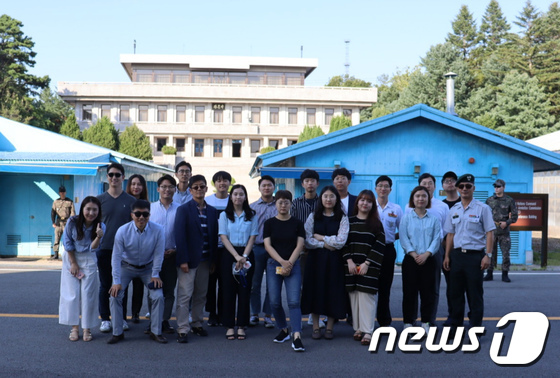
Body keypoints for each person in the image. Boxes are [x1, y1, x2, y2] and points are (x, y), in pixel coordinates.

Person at [108, 199, 167, 344]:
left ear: (149, 215)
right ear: (132, 215)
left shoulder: (158, 230)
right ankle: (117, 332)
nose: (141, 217)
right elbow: (115, 257)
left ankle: (156, 331)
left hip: (148, 268)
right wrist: (116, 281)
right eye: (138, 214)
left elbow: (159, 254)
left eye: (145, 214)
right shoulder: (122, 231)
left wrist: (155, 274)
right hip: (126, 267)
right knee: (115, 296)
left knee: (158, 296)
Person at [443, 174, 495, 332]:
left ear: (474, 188)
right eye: (461, 186)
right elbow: (450, 234)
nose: (464, 189)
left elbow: (490, 233)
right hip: (457, 256)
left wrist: (488, 255)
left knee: (475, 294)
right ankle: (456, 327)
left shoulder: (483, 208)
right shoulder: (454, 209)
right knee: (455, 293)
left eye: (468, 186)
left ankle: (475, 328)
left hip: (475, 257)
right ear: (457, 189)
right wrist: (447, 255)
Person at [174, 175, 219, 343]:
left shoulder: (213, 211)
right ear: (190, 190)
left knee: (201, 294)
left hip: (206, 260)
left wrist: (213, 260)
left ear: (207, 189)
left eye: (202, 187)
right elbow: (180, 236)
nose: (199, 190)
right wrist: (183, 260)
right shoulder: (184, 209)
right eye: (196, 187)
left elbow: (214, 237)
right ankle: (183, 328)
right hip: (189, 261)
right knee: (185, 295)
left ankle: (198, 323)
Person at [301, 185, 349, 340]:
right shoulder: (313, 216)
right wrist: (326, 244)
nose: (328, 199)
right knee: (315, 291)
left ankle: (329, 327)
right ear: (321, 198)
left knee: (332, 292)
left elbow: (341, 241)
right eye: (326, 196)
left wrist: (321, 238)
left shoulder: (342, 217)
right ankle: (315, 327)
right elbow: (308, 240)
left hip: (335, 261)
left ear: (337, 199)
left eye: (332, 196)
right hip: (315, 260)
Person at [96, 163, 136, 333]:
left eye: (117, 175)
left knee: (121, 286)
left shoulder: (131, 201)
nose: (114, 177)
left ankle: (120, 318)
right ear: (107, 177)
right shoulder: (99, 200)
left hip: (124, 251)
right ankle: (105, 318)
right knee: (105, 285)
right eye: (111, 174)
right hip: (104, 249)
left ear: (123, 177)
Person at [59, 196, 105, 342]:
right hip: (71, 257)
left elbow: (94, 247)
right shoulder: (72, 222)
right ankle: (74, 328)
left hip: (89, 258)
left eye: (94, 210)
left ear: (99, 211)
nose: (91, 212)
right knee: (71, 294)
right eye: (88, 209)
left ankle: (87, 328)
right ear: (82, 209)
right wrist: (73, 263)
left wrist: (98, 237)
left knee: (88, 295)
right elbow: (67, 242)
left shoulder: (101, 226)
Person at [265, 190, 306, 351]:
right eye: (280, 202)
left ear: (291, 204)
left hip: (293, 264)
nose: (283, 205)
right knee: (274, 301)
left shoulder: (297, 223)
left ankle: (297, 335)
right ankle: (283, 329)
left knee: (294, 301)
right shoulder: (269, 223)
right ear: (275, 204)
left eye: (286, 202)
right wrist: (282, 261)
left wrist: (289, 262)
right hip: (274, 264)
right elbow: (268, 245)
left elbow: (300, 244)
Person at [343, 190, 385, 346]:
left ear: (372, 205)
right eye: (362, 200)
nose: (365, 203)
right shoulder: (349, 221)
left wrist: (367, 263)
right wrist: (349, 261)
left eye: (368, 201)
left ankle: (368, 331)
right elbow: (344, 243)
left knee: (366, 297)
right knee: (354, 296)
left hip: (369, 266)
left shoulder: (376, 223)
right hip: (351, 265)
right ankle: (358, 328)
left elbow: (379, 245)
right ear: (357, 202)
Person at [219, 184, 258, 340]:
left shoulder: (252, 215)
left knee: (244, 290)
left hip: (247, 254)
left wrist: (244, 256)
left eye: (241, 194)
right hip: (229, 254)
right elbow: (223, 237)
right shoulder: (224, 215)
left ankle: (242, 325)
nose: (238, 197)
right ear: (231, 196)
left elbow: (252, 237)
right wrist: (236, 256)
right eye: (235, 194)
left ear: (245, 197)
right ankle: (229, 325)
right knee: (228, 290)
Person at [400, 186, 441, 333]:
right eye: (417, 196)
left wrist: (427, 254)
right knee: (409, 292)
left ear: (428, 199)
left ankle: (426, 321)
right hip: (411, 260)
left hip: (428, 259)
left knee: (427, 293)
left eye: (424, 196)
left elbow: (437, 239)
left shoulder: (434, 219)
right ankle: (408, 322)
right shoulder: (406, 218)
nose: (421, 199)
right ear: (412, 199)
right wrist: (413, 254)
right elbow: (404, 238)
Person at [415, 173, 449, 326]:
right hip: (415, 251)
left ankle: (429, 320)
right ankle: (411, 320)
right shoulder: (410, 206)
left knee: (432, 287)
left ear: (435, 187)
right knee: (413, 287)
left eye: (430, 183)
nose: (427, 186)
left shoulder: (442, 206)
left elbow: (447, 230)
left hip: (435, 251)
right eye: (424, 183)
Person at [290, 169, 323, 328]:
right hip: (301, 249)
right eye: (307, 181)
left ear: (317, 183)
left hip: (319, 248)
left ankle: (314, 315)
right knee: (301, 284)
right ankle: (300, 316)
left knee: (318, 283)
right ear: (302, 184)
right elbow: (293, 225)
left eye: (313, 180)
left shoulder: (322, 202)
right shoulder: (296, 203)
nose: (310, 183)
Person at [150, 175, 180, 334]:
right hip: (154, 256)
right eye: (163, 186)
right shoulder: (150, 208)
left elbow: (182, 233)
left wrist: (175, 248)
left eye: (170, 187)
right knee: (153, 290)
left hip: (172, 255)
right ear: (158, 188)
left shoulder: (180, 209)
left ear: (175, 189)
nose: (167, 189)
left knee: (169, 291)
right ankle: (153, 321)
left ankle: (164, 321)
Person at [374, 175, 402, 327]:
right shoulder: (370, 206)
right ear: (376, 188)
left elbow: (403, 230)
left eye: (386, 186)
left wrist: (391, 237)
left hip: (388, 250)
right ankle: (365, 321)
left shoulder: (396, 209)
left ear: (390, 189)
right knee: (370, 287)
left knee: (385, 287)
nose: (383, 188)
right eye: (380, 185)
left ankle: (384, 320)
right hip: (371, 251)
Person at [249, 175, 276, 328]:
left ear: (274, 187)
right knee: (255, 283)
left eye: (269, 185)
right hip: (257, 248)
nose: (266, 188)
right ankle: (254, 314)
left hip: (275, 250)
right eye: (264, 185)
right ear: (259, 188)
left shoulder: (280, 206)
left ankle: (268, 315)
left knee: (272, 284)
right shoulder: (252, 207)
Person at [205, 171, 231, 326]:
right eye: (219, 181)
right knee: (210, 283)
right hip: (210, 248)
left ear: (229, 183)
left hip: (227, 249)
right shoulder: (207, 201)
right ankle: (211, 314)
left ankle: (223, 313)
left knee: (225, 283)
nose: (222, 183)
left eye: (225, 181)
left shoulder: (233, 201)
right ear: (214, 184)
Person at [485, 179, 519, 282]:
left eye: (499, 186)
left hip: (504, 231)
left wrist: (507, 222)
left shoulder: (509, 200)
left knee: (505, 254)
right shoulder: (489, 200)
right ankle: (489, 274)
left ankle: (505, 274)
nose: (496, 188)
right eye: (495, 186)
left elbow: (515, 216)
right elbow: (485, 215)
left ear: (503, 187)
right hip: (492, 231)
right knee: (490, 253)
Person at [125, 174, 149, 324]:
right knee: (124, 285)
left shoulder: (147, 203)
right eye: (133, 184)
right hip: (126, 249)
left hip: (142, 249)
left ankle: (135, 313)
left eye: (139, 184)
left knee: (139, 286)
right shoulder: (125, 202)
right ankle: (121, 316)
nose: (136, 187)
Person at [441, 170, 460, 326]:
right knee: (451, 286)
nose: (450, 183)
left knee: (468, 287)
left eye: (453, 180)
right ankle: (452, 316)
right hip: (446, 251)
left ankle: (471, 317)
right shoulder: (441, 206)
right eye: (446, 181)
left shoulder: (465, 202)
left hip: (464, 251)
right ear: (442, 185)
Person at [51, 186, 75, 259]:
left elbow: (73, 212)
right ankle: (56, 254)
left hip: (67, 222)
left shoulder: (69, 201)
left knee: (67, 238)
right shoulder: (56, 202)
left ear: (65, 192)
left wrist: (71, 222)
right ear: (59, 193)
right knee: (57, 238)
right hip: (58, 222)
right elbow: (53, 213)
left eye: (63, 192)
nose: (62, 193)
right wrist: (53, 222)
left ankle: (67, 253)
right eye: (61, 192)